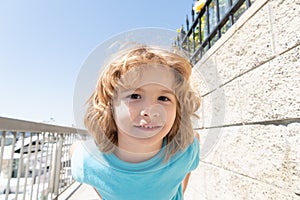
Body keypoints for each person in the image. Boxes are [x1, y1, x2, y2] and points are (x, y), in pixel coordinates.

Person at [71, 45, 201, 200]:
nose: (151, 110)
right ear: (109, 106)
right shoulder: (88, 160)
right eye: (135, 96)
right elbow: (75, 150)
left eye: (163, 98)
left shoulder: (186, 149)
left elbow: (187, 160)